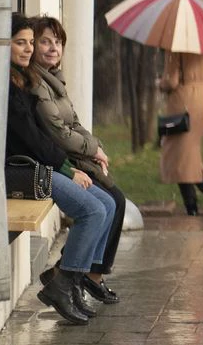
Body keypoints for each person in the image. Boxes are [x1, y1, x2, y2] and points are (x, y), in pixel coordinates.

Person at [6, 14, 115, 325]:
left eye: (30, 43)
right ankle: (62, 283)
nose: (27, 49)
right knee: (93, 210)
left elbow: (46, 134)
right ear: (4, 45)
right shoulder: (10, 85)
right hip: (22, 170)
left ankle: (69, 280)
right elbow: (34, 139)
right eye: (20, 43)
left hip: (40, 164)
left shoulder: (24, 80)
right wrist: (68, 169)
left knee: (106, 203)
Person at [30, 16, 124, 304]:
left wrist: (96, 147)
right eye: (45, 41)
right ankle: (78, 275)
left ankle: (74, 273)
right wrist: (90, 151)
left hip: (74, 156)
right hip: (62, 159)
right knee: (109, 203)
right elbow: (58, 132)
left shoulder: (55, 80)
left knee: (113, 201)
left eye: (57, 42)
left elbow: (75, 122)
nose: (52, 47)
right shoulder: (37, 83)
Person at [158, 50, 203, 215]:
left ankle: (194, 207)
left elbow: (171, 81)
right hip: (202, 102)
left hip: (182, 103)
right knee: (190, 155)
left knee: (180, 158)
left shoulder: (176, 50)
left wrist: (160, 84)